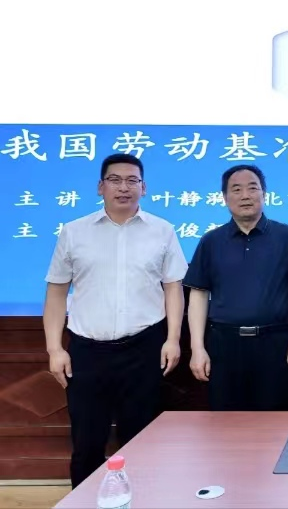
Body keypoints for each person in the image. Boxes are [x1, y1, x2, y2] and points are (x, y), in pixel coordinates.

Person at [43, 153, 188, 488]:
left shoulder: (162, 231)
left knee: (140, 440)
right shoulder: (74, 232)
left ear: (144, 188)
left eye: (132, 180)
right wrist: (54, 349)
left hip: (143, 348)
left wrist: (172, 339)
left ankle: (140, 502)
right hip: (87, 351)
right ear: (100, 187)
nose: (124, 187)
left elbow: (173, 288)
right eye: (115, 180)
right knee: (87, 442)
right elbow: (56, 292)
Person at [183, 164, 288, 411]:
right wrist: (197, 348)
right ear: (224, 197)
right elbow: (198, 295)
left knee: (275, 420)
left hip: (275, 343)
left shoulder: (286, 236)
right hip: (224, 344)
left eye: (252, 188)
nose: (245, 196)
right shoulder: (211, 241)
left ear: (264, 194)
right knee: (226, 421)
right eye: (236, 189)